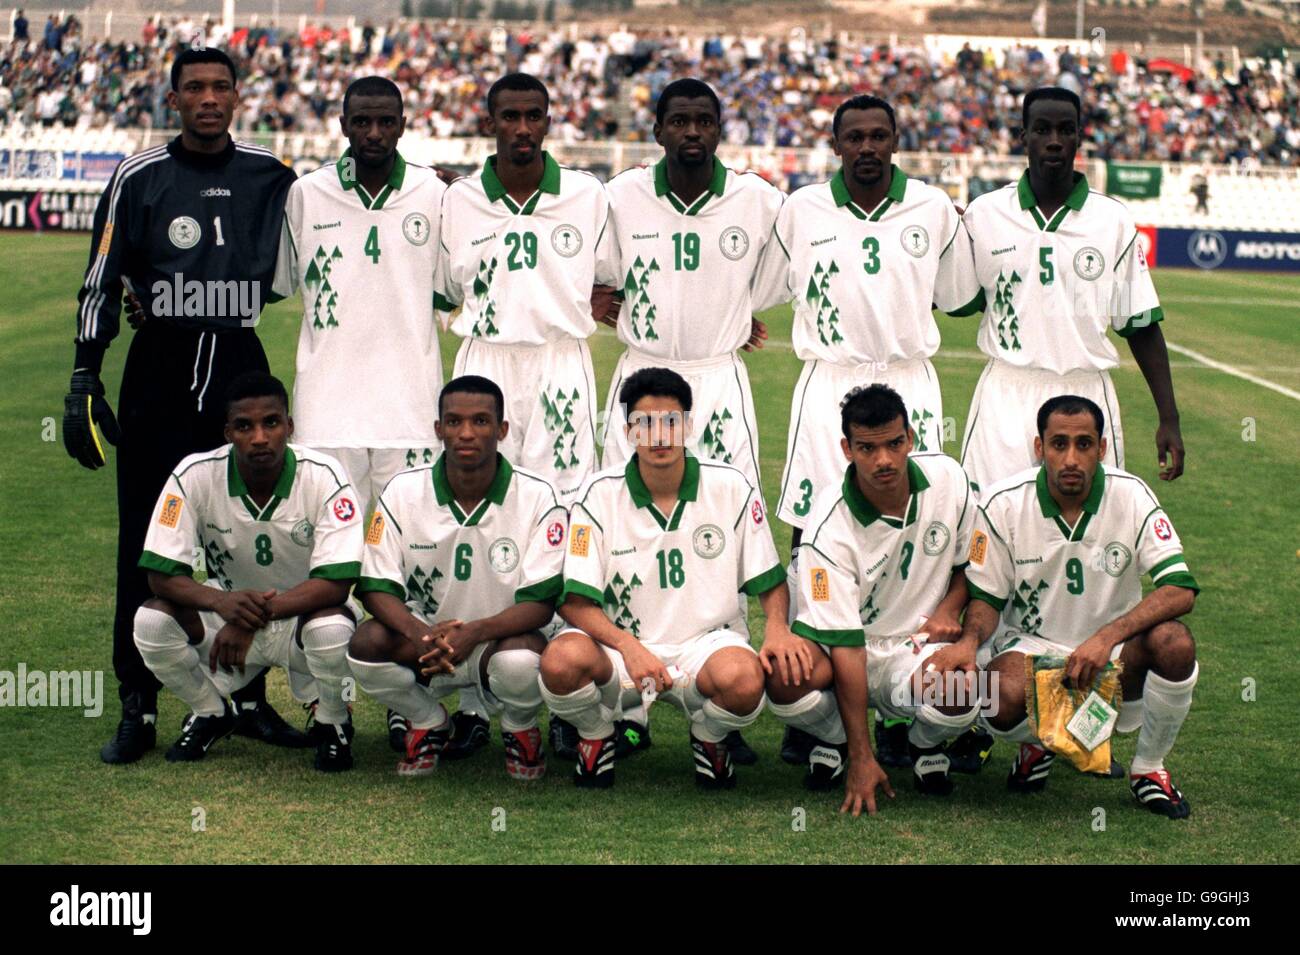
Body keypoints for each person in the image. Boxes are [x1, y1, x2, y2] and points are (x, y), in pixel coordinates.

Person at [63, 47, 301, 765]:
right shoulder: (140, 175)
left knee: (249, 531)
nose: (206, 98)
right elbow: (102, 281)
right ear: (173, 98)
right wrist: (83, 379)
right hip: (159, 369)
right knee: (145, 536)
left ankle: (249, 698)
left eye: (218, 87)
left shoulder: (272, 173)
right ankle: (137, 703)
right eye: (193, 87)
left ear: (237, 97)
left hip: (239, 367)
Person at [755, 92, 978, 767]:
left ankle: (932, 683)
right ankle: (813, 699)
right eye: (855, 137)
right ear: (836, 141)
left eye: (880, 136)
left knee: (933, 517)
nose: (867, 148)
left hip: (909, 380)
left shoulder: (935, 208)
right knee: (810, 526)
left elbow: (961, 296)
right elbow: (760, 285)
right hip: (828, 380)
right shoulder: (801, 209)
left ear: (896, 140)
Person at [597, 76, 783, 765]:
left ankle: (720, 709)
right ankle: (622, 698)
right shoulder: (619, 196)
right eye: (680, 120)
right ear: (658, 129)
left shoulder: (759, 200)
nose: (693, 132)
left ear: (720, 127)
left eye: (705, 120)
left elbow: (774, 279)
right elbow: (595, 275)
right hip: (641, 376)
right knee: (624, 522)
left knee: (727, 524)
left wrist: (734, 314)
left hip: (716, 377)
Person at [434, 71, 617, 758]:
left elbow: (610, 278)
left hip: (560, 364)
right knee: (480, 516)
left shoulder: (586, 195)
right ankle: (480, 695)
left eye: (532, 115)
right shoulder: (458, 201)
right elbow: (447, 285)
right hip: (485, 361)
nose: (521, 127)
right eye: (508, 115)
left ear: (548, 120)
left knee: (565, 519)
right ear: (491, 120)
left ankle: (568, 694)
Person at [931, 395, 1199, 818]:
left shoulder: (1131, 495)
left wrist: (1106, 637)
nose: (1071, 458)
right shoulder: (1004, 503)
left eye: (1084, 444)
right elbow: (986, 598)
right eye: (1058, 444)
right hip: (1033, 650)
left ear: (1102, 449)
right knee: (997, 696)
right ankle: (1038, 744)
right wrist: (969, 641)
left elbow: (1180, 589)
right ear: (1039, 448)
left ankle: (1149, 769)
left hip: (1111, 657)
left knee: (1175, 642)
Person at [539, 368, 792, 789]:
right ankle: (596, 733)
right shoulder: (598, 493)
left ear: (689, 426)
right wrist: (629, 647)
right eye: (645, 424)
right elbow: (574, 601)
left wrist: (778, 629)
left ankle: (709, 736)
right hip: (621, 653)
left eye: (671, 422)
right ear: (628, 432)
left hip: (705, 645)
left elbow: (768, 578)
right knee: (560, 662)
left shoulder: (731, 486)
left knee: (747, 681)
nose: (659, 436)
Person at [955, 86, 1185, 494]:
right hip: (1006, 394)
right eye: (1042, 130)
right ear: (1024, 136)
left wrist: (1169, 418)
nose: (1055, 141)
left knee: (1086, 538)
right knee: (988, 531)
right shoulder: (984, 214)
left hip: (1086, 395)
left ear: (1080, 136)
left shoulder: (1112, 220)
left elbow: (1141, 325)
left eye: (1066, 130)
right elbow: (959, 302)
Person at [133, 373, 364, 770]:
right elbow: (160, 574)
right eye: (244, 426)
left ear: (289, 426)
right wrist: (222, 602)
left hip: (300, 625)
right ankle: (210, 712)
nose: (259, 437)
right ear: (228, 432)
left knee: (332, 629)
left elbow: (337, 582)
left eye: (271, 423)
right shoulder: (194, 474)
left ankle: (332, 720)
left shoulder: (325, 474)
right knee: (151, 621)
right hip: (227, 621)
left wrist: (250, 617)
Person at [765, 385, 977, 810]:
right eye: (867, 448)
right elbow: (847, 648)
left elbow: (970, 565)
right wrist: (864, 757)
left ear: (910, 439)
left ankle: (921, 744)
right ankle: (836, 738)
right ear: (847, 448)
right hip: (846, 646)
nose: (883, 460)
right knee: (784, 679)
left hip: (917, 645)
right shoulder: (826, 525)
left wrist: (950, 607)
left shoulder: (949, 479)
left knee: (970, 687)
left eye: (894, 444)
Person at [346, 376, 567, 779]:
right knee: (364, 644)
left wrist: (475, 632)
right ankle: (429, 721)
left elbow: (541, 603)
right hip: (425, 645)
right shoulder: (401, 491)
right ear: (438, 429)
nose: (466, 433)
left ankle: (520, 728)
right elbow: (375, 587)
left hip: (499, 642)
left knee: (520, 663)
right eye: (454, 422)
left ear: (502, 430)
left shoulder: (538, 496)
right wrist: (420, 633)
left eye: (481, 421)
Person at [273, 76, 447, 512]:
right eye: (362, 121)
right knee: (330, 549)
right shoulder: (307, 194)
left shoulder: (435, 194)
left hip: (411, 409)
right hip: (326, 411)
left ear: (403, 125)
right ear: (343, 125)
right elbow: (272, 285)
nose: (374, 133)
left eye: (386, 122)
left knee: (408, 552)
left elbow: (455, 290)